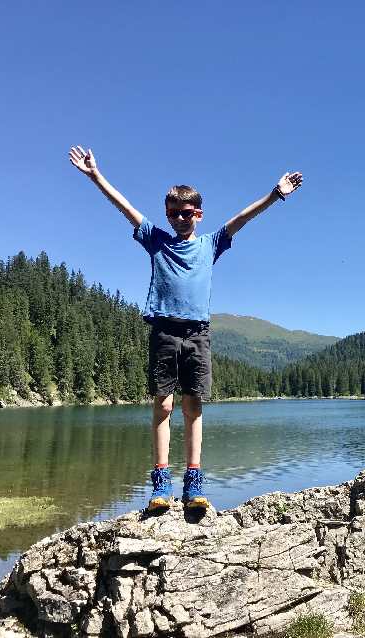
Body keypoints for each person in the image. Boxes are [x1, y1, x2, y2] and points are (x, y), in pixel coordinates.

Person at [68, 145, 303, 511]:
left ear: (198, 214)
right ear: (167, 213)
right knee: (163, 405)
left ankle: (193, 482)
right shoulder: (156, 240)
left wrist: (275, 195)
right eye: (173, 213)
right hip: (164, 330)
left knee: (193, 406)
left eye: (187, 212)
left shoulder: (210, 245)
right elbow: (125, 208)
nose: (180, 218)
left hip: (198, 334)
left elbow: (242, 219)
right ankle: (161, 483)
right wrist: (96, 176)